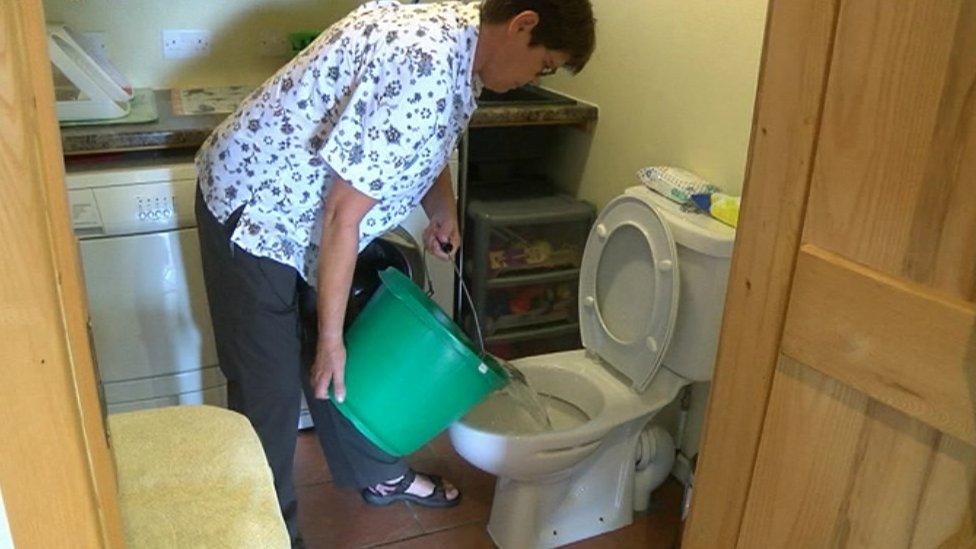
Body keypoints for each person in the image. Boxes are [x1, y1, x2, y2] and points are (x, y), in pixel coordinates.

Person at [194, 0, 595, 544]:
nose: (533, 79)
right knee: (270, 393)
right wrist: (330, 338)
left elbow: (432, 144)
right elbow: (342, 213)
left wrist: (442, 209)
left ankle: (378, 476)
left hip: (305, 217)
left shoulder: (466, 43)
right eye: (542, 65)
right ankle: (267, 535)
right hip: (255, 210)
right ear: (522, 24)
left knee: (350, 350)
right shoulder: (424, 61)